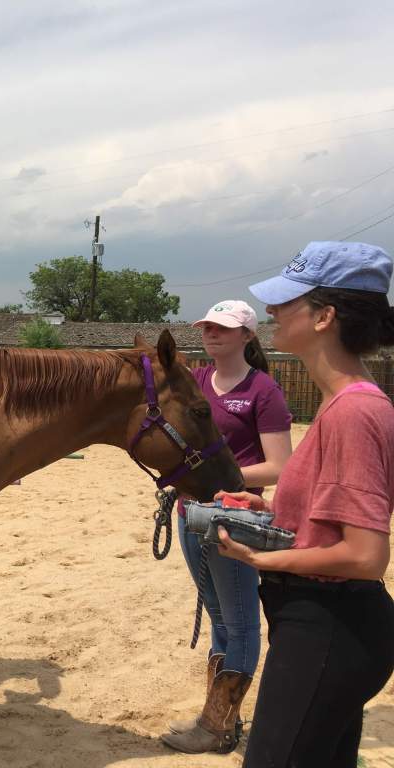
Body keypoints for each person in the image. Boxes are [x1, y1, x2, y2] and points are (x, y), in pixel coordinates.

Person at [215, 241, 394, 768]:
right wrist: (271, 512)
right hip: (328, 624)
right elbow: (332, 522)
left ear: (324, 317)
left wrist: (261, 558)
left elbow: (365, 556)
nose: (271, 310)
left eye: (286, 301)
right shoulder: (346, 403)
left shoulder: (352, 412)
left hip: (329, 625)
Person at [162, 300, 292, 754]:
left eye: (223, 328)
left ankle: (215, 726)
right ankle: (222, 718)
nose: (212, 334)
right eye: (208, 327)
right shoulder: (196, 381)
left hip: (234, 516)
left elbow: (279, 465)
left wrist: (214, 476)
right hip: (188, 513)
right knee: (220, 616)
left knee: (239, 623)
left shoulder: (263, 391)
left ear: (247, 336)